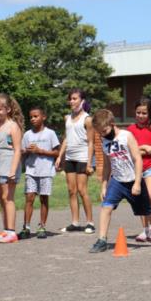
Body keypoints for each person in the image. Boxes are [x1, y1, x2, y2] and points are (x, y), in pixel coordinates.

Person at [89, 109, 151, 253]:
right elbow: (107, 165)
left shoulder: (126, 136)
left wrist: (138, 182)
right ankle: (102, 240)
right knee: (106, 207)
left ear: (112, 124)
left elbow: (138, 159)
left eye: (105, 130)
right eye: (100, 132)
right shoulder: (105, 141)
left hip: (133, 179)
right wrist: (104, 185)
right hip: (117, 181)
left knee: (148, 211)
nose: (103, 134)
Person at [55, 88, 95, 234]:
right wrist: (60, 156)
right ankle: (75, 222)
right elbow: (66, 138)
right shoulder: (67, 118)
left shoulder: (87, 119)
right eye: (70, 99)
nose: (71, 101)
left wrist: (90, 163)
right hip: (70, 158)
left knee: (82, 190)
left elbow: (91, 142)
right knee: (71, 191)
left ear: (82, 101)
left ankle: (90, 222)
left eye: (75, 98)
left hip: (83, 157)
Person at [0, 93, 23, 243]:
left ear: (7, 109)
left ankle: (12, 232)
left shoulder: (13, 126)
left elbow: (18, 150)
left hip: (9, 166)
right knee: (1, 199)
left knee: (8, 199)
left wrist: (13, 170)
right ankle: (6, 230)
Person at [19, 106, 60, 240]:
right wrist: (26, 151)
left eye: (36, 116)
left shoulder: (50, 133)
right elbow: (22, 152)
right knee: (29, 198)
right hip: (31, 170)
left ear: (43, 117)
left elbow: (57, 152)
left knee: (43, 198)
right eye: (31, 117)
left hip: (46, 171)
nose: (33, 119)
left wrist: (40, 150)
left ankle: (42, 226)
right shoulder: (27, 135)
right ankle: (26, 227)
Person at [127, 97, 151, 244]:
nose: (141, 116)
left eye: (144, 113)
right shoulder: (130, 130)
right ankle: (145, 229)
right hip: (136, 168)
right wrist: (144, 149)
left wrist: (140, 149)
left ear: (150, 113)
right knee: (141, 198)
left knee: (150, 195)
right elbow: (129, 151)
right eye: (138, 113)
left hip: (150, 166)